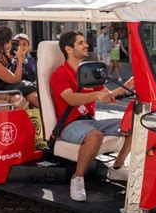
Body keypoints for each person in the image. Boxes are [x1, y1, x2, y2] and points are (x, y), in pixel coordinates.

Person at [50, 31, 134, 202]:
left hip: (90, 122)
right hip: (69, 125)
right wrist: (96, 96)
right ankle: (78, 178)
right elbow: (71, 99)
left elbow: (108, 96)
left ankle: (116, 168)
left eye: (85, 42)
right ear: (69, 49)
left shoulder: (89, 72)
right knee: (95, 136)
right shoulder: (60, 74)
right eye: (81, 43)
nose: (86, 45)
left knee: (132, 123)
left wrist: (128, 85)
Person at [0, 26, 33, 108]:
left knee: (36, 97)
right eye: (9, 40)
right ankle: (18, 120)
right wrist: (19, 60)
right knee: (20, 101)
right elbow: (15, 79)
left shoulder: (3, 54)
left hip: (8, 88)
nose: (10, 43)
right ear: (3, 43)